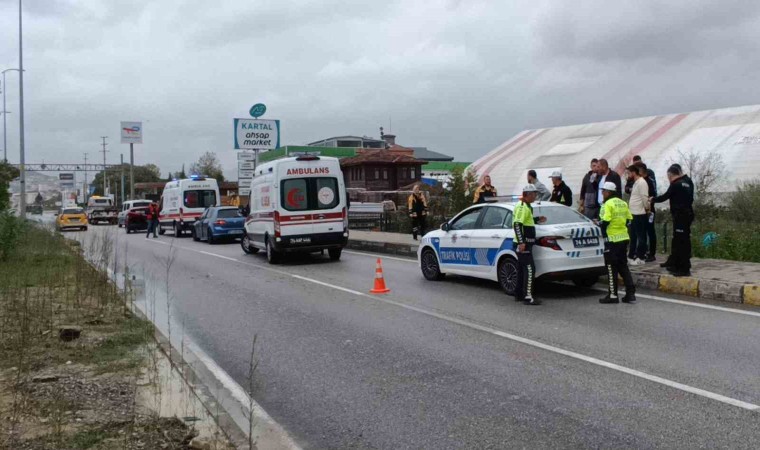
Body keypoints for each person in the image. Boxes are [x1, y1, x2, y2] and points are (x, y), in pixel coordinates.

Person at [652, 164, 694, 276]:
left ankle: (684, 268)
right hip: (688, 214)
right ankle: (675, 263)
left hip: (680, 216)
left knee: (681, 242)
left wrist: (653, 199)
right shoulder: (688, 181)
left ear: (670, 175)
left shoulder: (675, 184)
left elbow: (665, 196)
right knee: (680, 240)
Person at [598, 182, 636, 303]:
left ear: (608, 192)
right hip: (623, 239)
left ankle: (613, 295)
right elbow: (629, 219)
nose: (602, 193)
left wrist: (599, 224)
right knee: (623, 267)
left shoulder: (607, 204)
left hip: (611, 240)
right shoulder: (623, 203)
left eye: (603, 191)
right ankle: (630, 294)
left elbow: (605, 221)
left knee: (611, 268)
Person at [513, 184, 547, 306]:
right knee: (529, 268)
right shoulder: (522, 206)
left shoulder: (527, 206)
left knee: (522, 269)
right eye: (534, 194)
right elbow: (517, 224)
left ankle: (519, 294)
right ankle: (528, 296)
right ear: (528, 194)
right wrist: (521, 242)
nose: (535, 196)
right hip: (523, 244)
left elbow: (527, 220)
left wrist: (537, 219)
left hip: (526, 243)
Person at [626, 164, 649, 264]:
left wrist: (647, 208)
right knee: (633, 236)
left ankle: (640, 257)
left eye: (628, 173)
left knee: (641, 236)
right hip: (633, 213)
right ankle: (631, 255)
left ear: (633, 173)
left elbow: (644, 197)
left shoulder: (642, 183)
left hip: (639, 213)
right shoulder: (635, 183)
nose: (628, 176)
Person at [638, 163, 657, 261]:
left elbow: (653, 195)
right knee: (642, 232)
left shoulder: (649, 181)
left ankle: (652, 253)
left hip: (649, 210)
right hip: (641, 210)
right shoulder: (640, 181)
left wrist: (648, 205)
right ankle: (643, 252)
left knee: (650, 231)